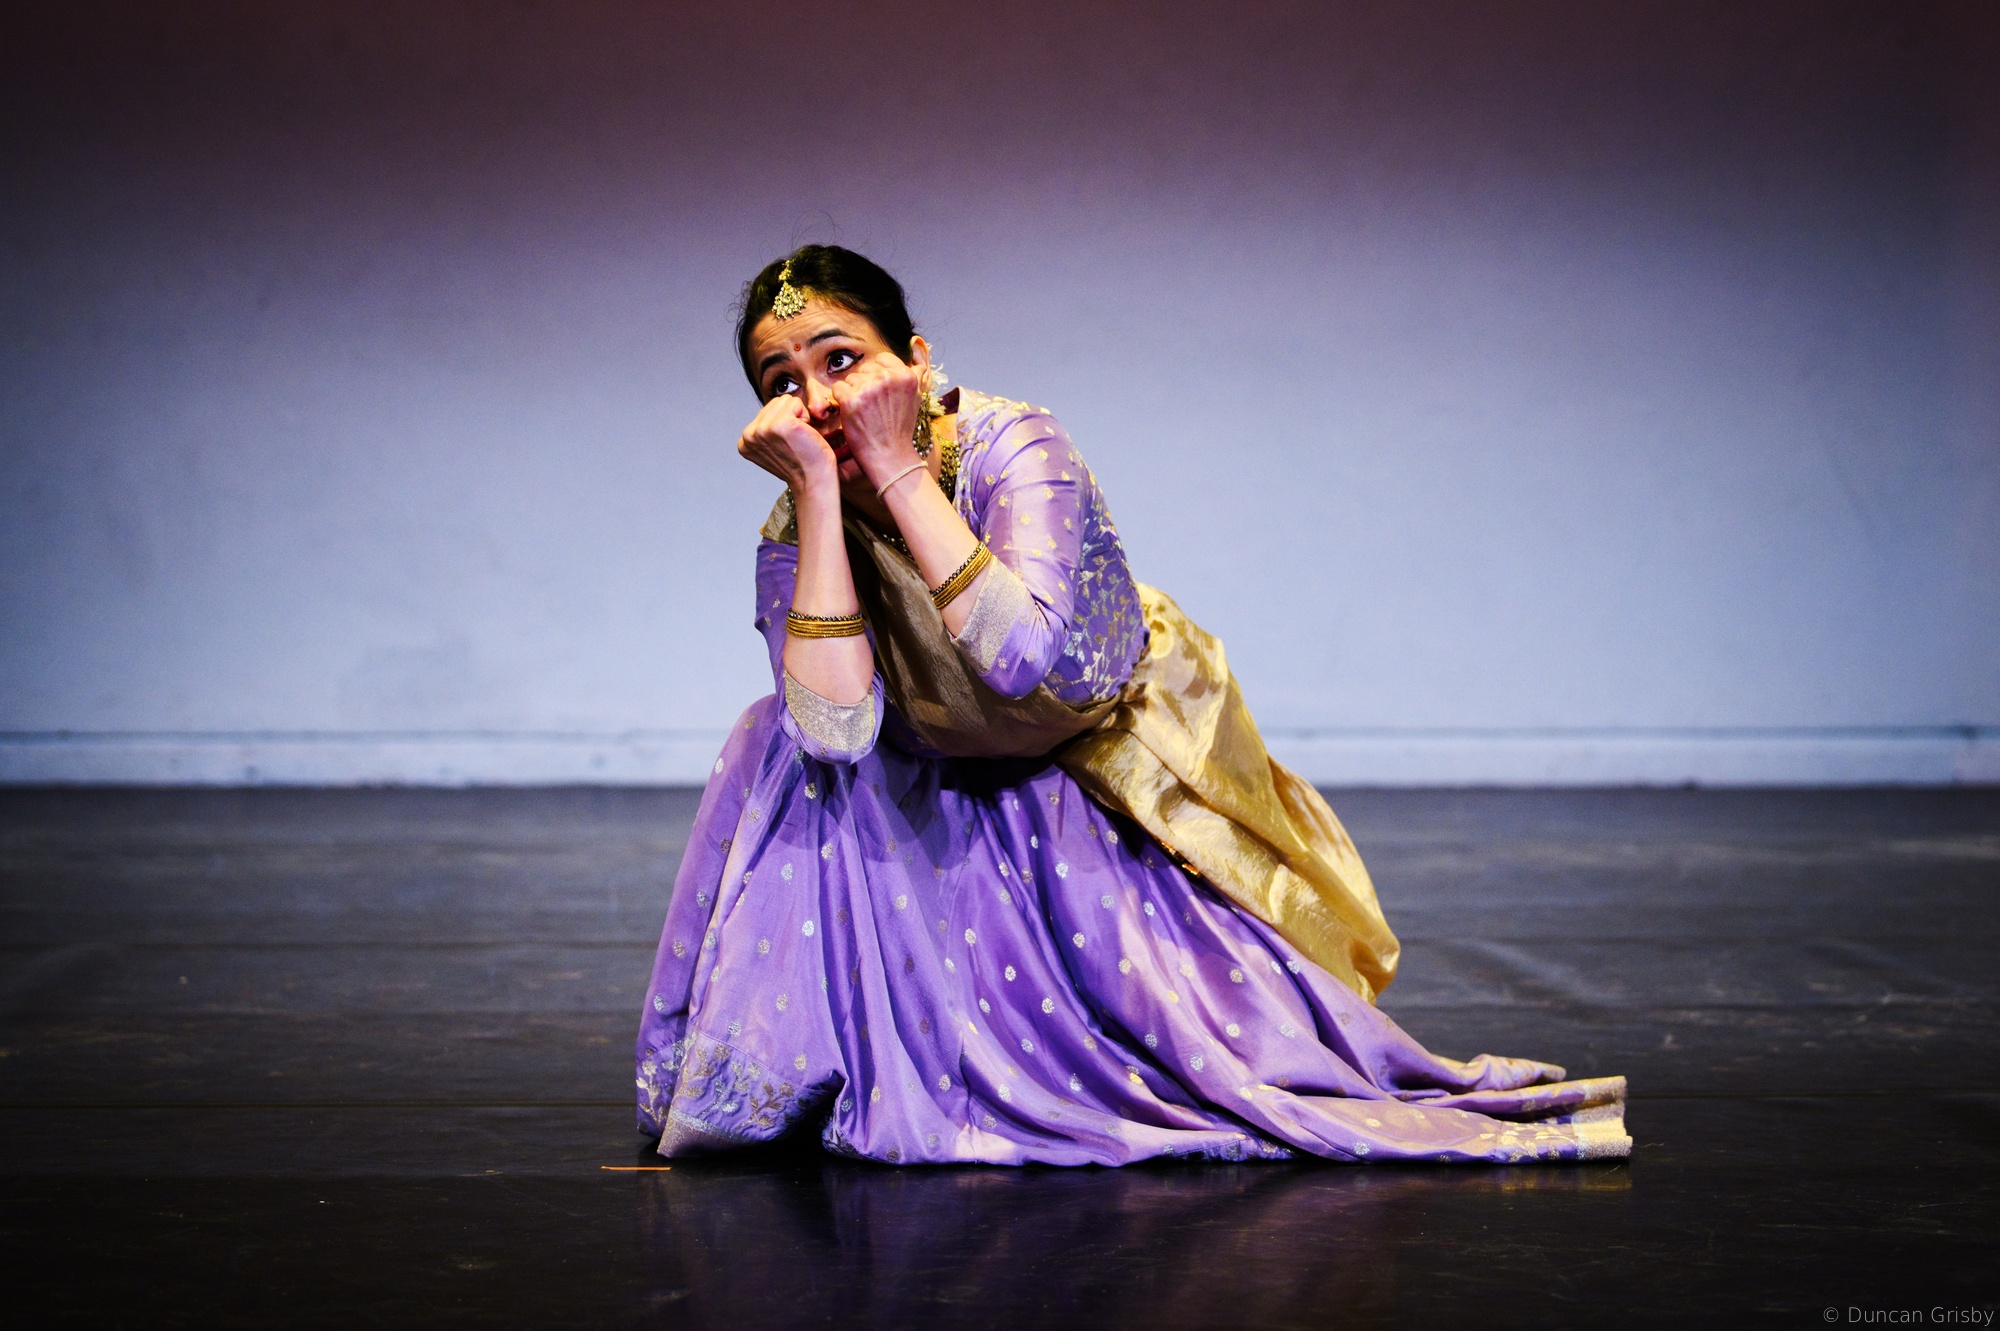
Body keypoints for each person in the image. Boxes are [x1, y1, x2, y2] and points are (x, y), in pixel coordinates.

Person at [635, 245, 1629, 1165]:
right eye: (782, 384)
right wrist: (818, 495)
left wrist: (895, 469)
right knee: (771, 734)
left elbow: (1022, 660)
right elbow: (833, 728)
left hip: (1089, 752)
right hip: (935, 767)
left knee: (1222, 1049)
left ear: (917, 359)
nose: (817, 401)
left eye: (842, 360)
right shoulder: (796, 520)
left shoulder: (1012, 445)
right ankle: (822, 1063)